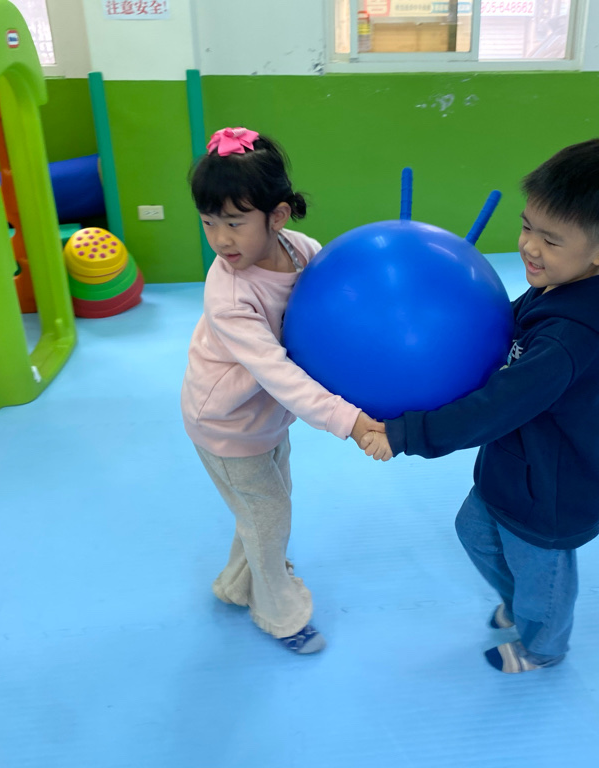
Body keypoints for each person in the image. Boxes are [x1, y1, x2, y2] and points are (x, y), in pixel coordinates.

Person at [361, 139, 599, 673]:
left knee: (543, 578)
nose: (530, 247)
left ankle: (543, 646)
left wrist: (407, 434)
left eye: (551, 240)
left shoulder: (569, 339)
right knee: (474, 533)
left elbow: (498, 404)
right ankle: (523, 604)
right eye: (527, 227)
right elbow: (498, 334)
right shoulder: (557, 289)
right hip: (515, 466)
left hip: (550, 490)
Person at [182, 127, 384, 654]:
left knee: (263, 511)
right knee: (270, 521)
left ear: (278, 216)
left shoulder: (301, 251)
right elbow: (278, 371)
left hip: (268, 415)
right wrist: (350, 420)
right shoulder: (230, 294)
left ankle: (235, 584)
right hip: (226, 424)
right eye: (208, 223)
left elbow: (331, 307)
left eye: (234, 223)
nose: (220, 240)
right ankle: (279, 614)